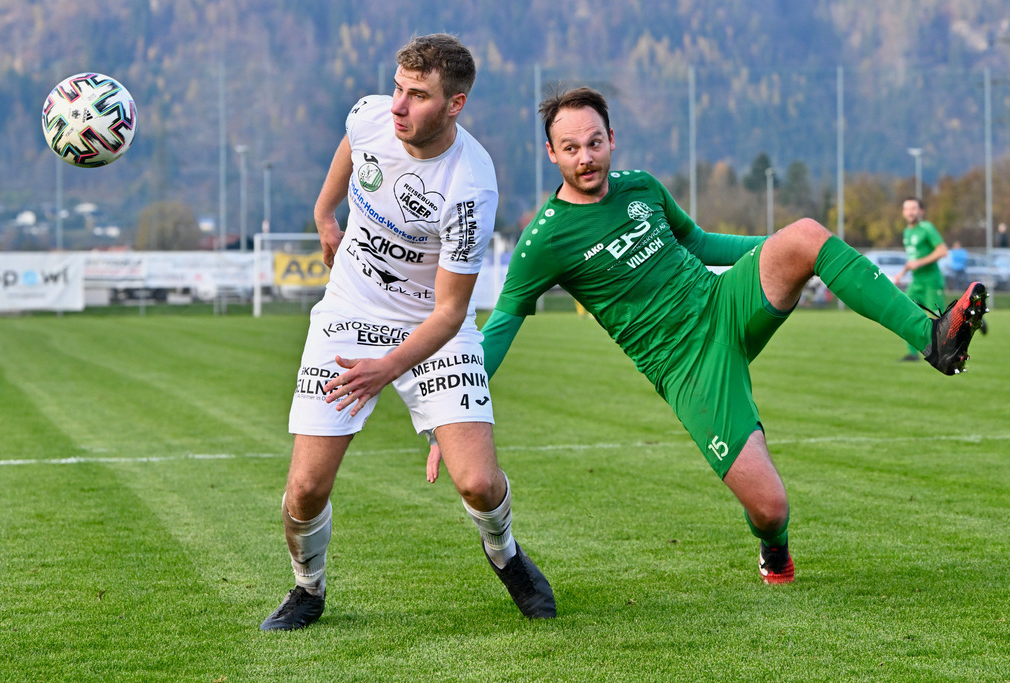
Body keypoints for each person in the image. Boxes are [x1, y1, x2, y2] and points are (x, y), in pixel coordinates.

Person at [429, 86, 987, 586]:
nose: (585, 157)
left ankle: (931, 336)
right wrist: (452, 414)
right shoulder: (543, 240)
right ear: (552, 154)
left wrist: (788, 249)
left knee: (808, 235)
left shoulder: (641, 187)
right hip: (688, 369)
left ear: (611, 140)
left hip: (724, 304)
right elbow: (501, 323)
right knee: (771, 509)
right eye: (570, 148)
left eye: (594, 142)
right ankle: (774, 551)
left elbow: (698, 242)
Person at [260, 34, 555, 631]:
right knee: (305, 490)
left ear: (455, 105)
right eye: (398, 87)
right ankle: (307, 590)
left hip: (431, 329)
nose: (397, 105)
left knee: (475, 482)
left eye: (417, 95)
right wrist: (324, 213)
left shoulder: (470, 184)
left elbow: (451, 312)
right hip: (348, 314)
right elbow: (351, 146)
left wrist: (387, 367)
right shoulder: (373, 116)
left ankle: (505, 553)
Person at [893, 197, 948, 362]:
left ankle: (970, 322)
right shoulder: (907, 232)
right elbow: (913, 260)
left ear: (920, 211)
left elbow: (942, 251)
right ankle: (912, 353)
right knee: (903, 311)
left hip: (931, 281)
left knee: (941, 321)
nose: (910, 212)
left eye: (914, 208)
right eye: (907, 208)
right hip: (916, 283)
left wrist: (919, 262)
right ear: (903, 212)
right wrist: (901, 273)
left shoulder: (926, 228)